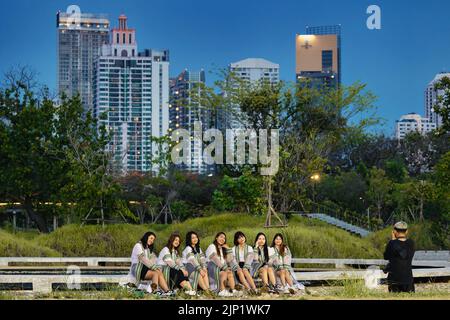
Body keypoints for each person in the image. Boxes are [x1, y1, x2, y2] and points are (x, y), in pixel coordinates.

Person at [126, 232, 173, 296]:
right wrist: (153, 267)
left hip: (144, 268)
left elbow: (153, 259)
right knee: (155, 273)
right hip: (137, 268)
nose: (152, 241)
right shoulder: (138, 245)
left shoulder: (147, 249)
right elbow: (142, 259)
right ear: (146, 237)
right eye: (151, 238)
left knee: (158, 272)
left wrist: (157, 267)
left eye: (153, 240)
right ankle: (155, 291)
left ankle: (167, 291)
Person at [383, 221, 415, 293]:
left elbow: (386, 256)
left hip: (394, 280)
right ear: (406, 231)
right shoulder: (411, 243)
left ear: (394, 231)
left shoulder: (392, 243)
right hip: (408, 280)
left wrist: (393, 240)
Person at [205, 232, 236, 297]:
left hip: (220, 269)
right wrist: (225, 268)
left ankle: (234, 290)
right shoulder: (212, 246)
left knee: (229, 273)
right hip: (212, 268)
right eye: (221, 237)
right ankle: (222, 291)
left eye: (224, 238)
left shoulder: (222, 250)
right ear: (216, 238)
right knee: (225, 272)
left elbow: (229, 260)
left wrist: (229, 249)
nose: (222, 239)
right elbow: (215, 258)